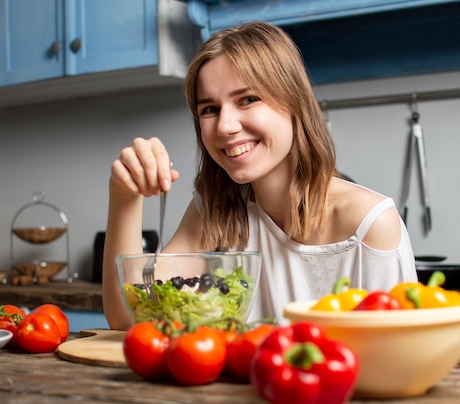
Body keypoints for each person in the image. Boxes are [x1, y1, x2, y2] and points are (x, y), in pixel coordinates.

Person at [102, 21, 417, 330]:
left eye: (248, 99)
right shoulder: (215, 212)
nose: (225, 126)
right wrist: (124, 195)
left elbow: (398, 358)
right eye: (209, 109)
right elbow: (128, 316)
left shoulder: (371, 225)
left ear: (294, 102)